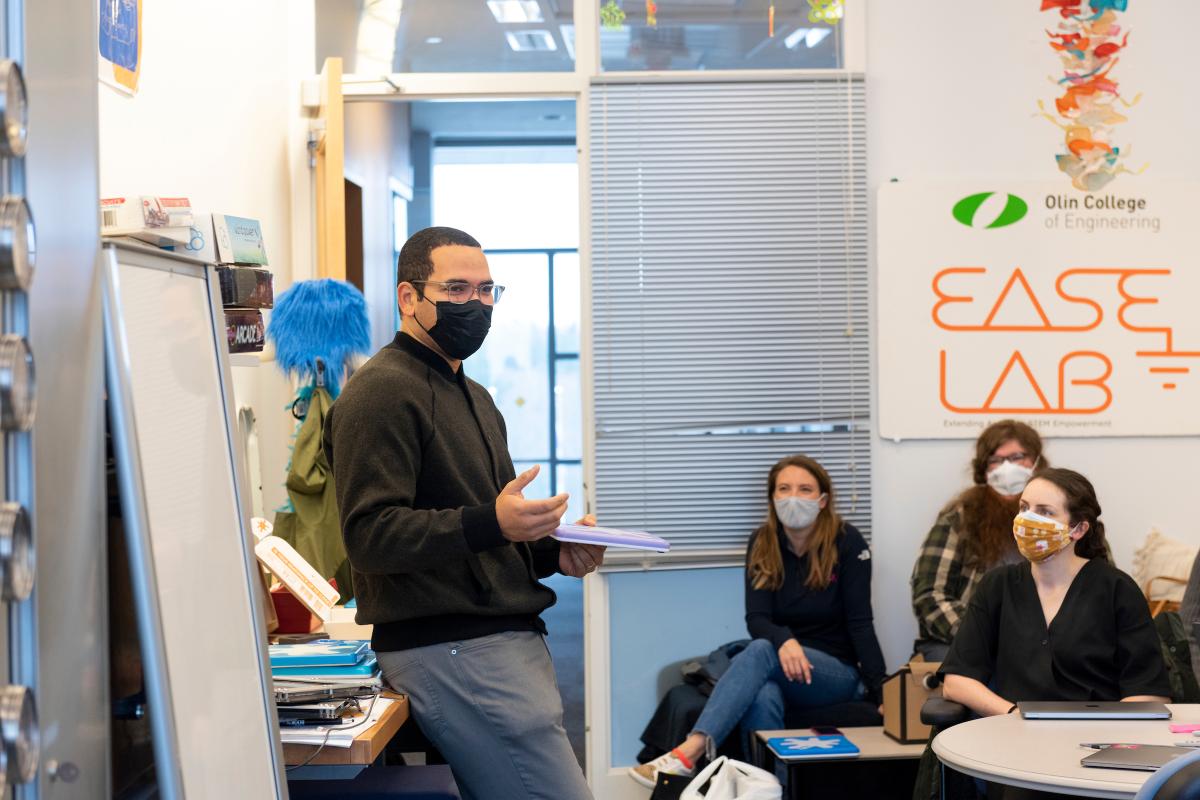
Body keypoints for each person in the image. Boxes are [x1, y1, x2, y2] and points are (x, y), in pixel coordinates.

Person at [323, 226, 603, 800]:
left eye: (485, 291)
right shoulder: (380, 394)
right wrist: (492, 522)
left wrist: (553, 552)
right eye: (455, 289)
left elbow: (484, 532)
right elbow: (371, 535)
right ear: (409, 298)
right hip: (455, 650)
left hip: (503, 643)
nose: (474, 305)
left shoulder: (475, 396)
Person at [630, 455, 887, 788]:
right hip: (780, 665)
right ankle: (766, 791)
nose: (793, 496)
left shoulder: (848, 543)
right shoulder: (763, 542)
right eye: (784, 488)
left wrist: (882, 691)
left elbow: (860, 623)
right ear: (773, 498)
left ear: (822, 500)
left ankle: (689, 751)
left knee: (762, 649)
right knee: (764, 694)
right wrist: (787, 641)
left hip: (834, 672)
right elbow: (757, 617)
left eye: (805, 489)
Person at [941, 467, 1171, 720]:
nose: (1027, 520)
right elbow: (957, 681)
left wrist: (1110, 735)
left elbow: (1150, 693)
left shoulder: (1117, 589)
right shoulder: (997, 585)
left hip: (1096, 740)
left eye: (1044, 512)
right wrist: (1014, 715)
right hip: (1013, 736)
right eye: (1024, 507)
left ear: (1079, 529)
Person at [911, 420, 1047, 661]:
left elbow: (1099, 589)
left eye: (1017, 457)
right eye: (996, 460)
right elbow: (929, 597)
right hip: (972, 642)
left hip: (1046, 642)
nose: (1007, 467)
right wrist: (985, 635)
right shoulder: (960, 520)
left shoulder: (1064, 518)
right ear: (984, 470)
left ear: (1036, 462)